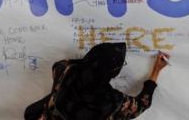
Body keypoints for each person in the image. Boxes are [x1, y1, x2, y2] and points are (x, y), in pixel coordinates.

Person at [24, 42, 170, 120]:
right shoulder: (113, 101)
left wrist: (90, 63)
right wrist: (156, 70)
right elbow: (141, 105)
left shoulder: (63, 69)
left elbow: (62, 64)